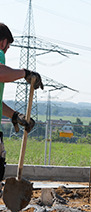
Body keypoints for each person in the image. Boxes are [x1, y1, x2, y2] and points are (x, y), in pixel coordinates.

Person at [0, 22, 43, 181]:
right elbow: (1, 73)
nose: (7, 49)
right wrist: (25, 73)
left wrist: (15, 115)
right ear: (3, 42)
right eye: (8, 45)